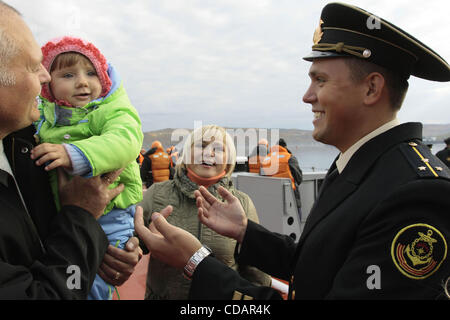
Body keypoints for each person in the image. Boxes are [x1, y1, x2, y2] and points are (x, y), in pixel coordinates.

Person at [135, 2, 450, 300]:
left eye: (320, 80)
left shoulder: (417, 194)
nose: (307, 96)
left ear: (371, 88)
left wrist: (195, 262)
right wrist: (245, 231)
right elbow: (316, 263)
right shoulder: (360, 165)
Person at [0, 1, 140, 299]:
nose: (44, 77)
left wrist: (104, 247)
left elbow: (126, 138)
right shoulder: (42, 131)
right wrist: (81, 220)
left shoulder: (25, 141)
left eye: (91, 74)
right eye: (32, 65)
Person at [31, 36, 144, 299]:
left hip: (111, 216)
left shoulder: (111, 111)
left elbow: (125, 141)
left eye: (91, 73)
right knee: (74, 274)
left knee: (94, 281)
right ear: (48, 84)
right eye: (68, 74)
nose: (82, 81)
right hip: (65, 221)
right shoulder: (45, 121)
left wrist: (75, 154)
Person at [139, 125, 271, 299]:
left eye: (218, 148)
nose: (208, 152)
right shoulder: (156, 194)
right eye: (201, 145)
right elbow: (131, 239)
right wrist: (133, 247)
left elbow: (256, 273)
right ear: (186, 154)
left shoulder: (242, 203)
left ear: (228, 160)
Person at [261, 138, 303, 212]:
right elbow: (299, 178)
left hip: (270, 196)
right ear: (285, 147)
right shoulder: (290, 158)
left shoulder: (266, 159)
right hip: (289, 196)